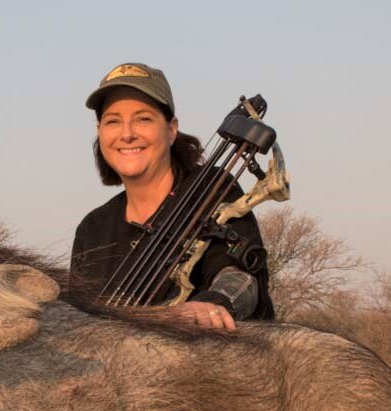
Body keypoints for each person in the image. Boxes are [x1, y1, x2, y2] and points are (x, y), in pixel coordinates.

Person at [70, 62, 274, 329]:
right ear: (100, 132)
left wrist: (213, 304)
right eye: (113, 121)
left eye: (143, 119)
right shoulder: (92, 228)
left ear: (171, 129)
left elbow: (238, 277)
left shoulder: (212, 190)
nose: (127, 134)